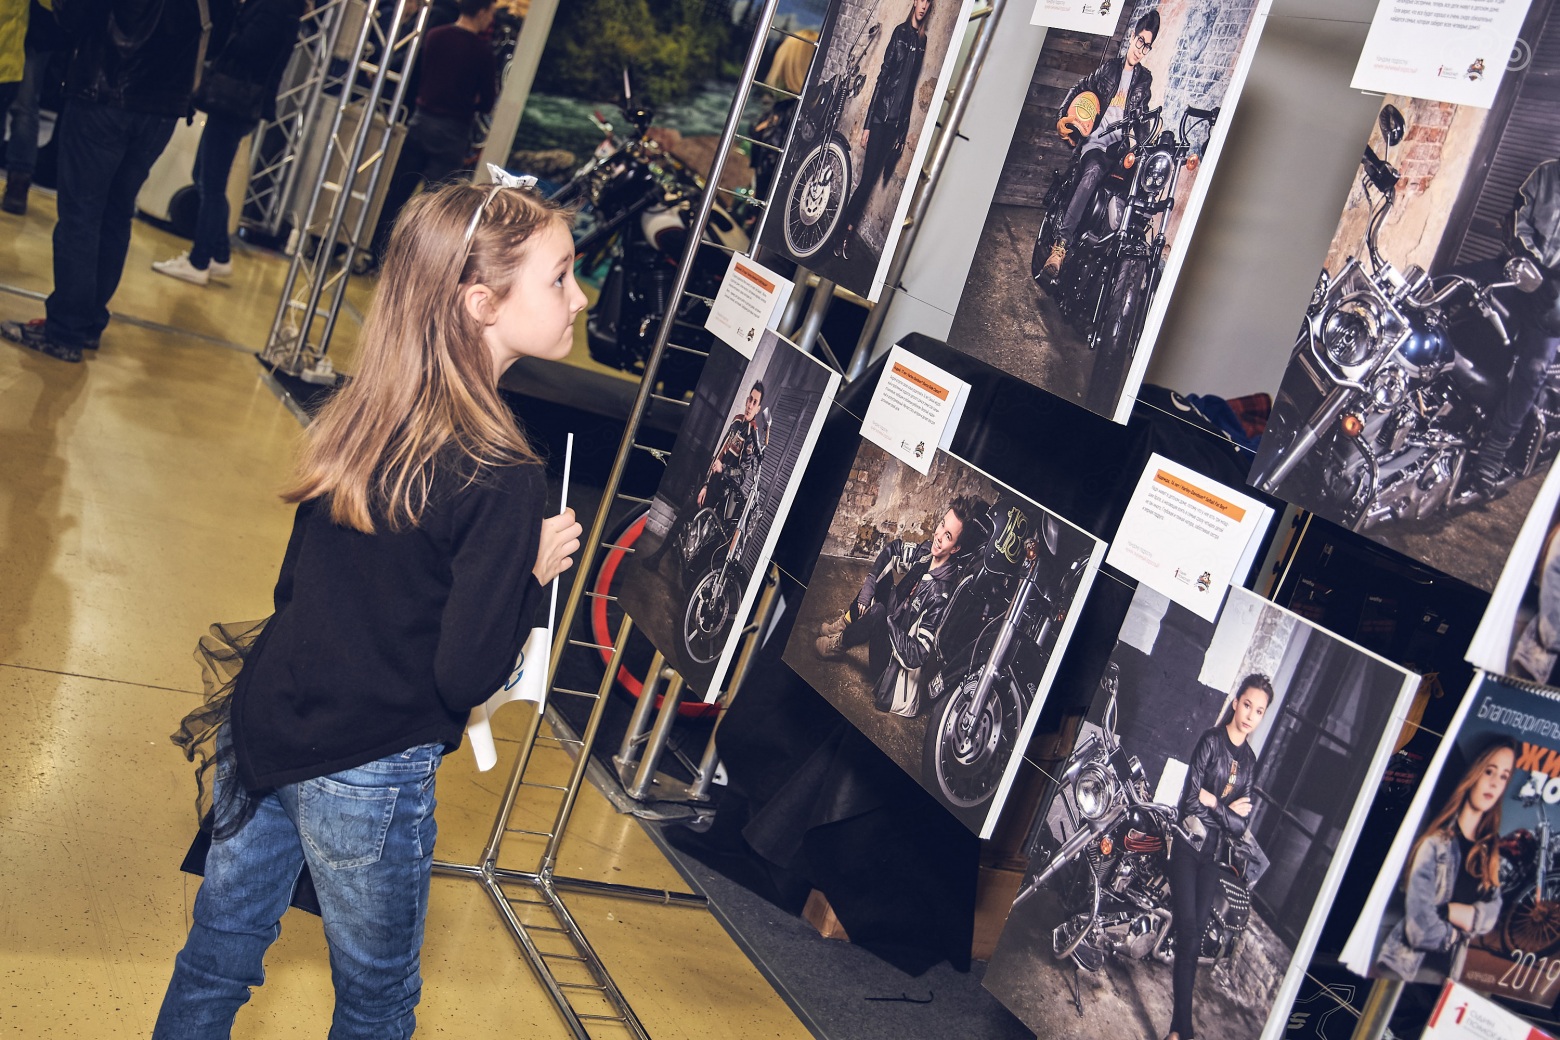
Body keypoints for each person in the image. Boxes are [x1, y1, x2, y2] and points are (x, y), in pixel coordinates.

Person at [150, 179, 587, 1037]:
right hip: (369, 768)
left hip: (269, 725)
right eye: (561, 277)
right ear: (481, 303)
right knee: (377, 1002)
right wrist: (529, 575)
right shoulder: (505, 475)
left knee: (216, 957)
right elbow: (463, 675)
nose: (580, 298)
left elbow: (296, 589)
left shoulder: (365, 411)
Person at [0, 0, 236, 363]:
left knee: (81, 215)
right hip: (163, 107)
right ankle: (88, 322)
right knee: (116, 213)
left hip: (104, 90)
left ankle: (65, 330)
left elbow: (74, 15)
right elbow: (219, 36)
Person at [151, 0, 308, 286]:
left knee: (210, 184)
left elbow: (249, 46)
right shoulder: (284, 7)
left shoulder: (276, 7)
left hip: (235, 100)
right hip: (238, 100)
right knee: (206, 178)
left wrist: (228, 25)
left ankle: (199, 261)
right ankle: (219, 255)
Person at [813, 495, 990, 718]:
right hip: (897, 623)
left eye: (948, 536)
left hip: (892, 668)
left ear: (955, 548)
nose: (938, 536)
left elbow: (917, 654)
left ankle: (838, 645)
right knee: (881, 576)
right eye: (942, 525)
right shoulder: (926, 554)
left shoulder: (941, 595)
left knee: (878, 612)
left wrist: (888, 622)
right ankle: (845, 622)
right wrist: (869, 584)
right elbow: (894, 549)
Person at [1165, 674, 1270, 1040]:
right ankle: (1182, 1030)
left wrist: (1214, 802)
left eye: (1259, 711)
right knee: (1188, 930)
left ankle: (1178, 1031)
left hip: (1213, 857)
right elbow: (1189, 802)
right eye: (1247, 705)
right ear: (1236, 702)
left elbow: (1241, 827)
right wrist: (1226, 809)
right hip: (1186, 846)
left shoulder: (1250, 762)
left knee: (1194, 938)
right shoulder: (1210, 741)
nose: (1251, 715)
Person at [1461, 158, 1560, 499]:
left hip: (1553, 299)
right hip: (1518, 270)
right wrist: (1529, 262)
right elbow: (1518, 217)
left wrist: (1552, 280)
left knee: (1534, 367)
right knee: (1448, 282)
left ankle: (1495, 449)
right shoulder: (1546, 173)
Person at [1375, 741, 1513, 982]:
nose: (1494, 783)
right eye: (1489, 771)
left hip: (1448, 974)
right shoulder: (1435, 843)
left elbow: (1493, 913)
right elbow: (1419, 930)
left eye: (1503, 776)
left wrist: (1448, 911)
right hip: (1403, 968)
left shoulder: (1488, 852)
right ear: (1473, 774)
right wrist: (1457, 932)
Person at [1038, 9, 1159, 281]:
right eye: (1140, 41)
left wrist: (1146, 147)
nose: (1141, 49)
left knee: (1133, 187)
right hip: (1095, 144)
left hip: (1118, 150)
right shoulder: (1109, 69)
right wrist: (1063, 116)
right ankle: (1060, 248)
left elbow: (1141, 118)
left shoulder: (1144, 80)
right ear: (1133, 36)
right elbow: (1080, 87)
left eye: (1147, 46)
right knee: (1092, 173)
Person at [832, 0, 929, 262]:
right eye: (921, 0)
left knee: (872, 179)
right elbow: (882, 78)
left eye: (928, 2)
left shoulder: (922, 41)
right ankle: (843, 233)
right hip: (879, 119)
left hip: (894, 125)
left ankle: (844, 231)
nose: (924, 6)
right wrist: (867, 124)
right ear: (914, 3)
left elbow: (910, 89)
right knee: (866, 181)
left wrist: (902, 132)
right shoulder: (900, 33)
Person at [642, 382, 767, 569]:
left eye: (754, 402)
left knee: (697, 530)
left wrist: (723, 469)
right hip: (712, 485)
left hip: (723, 494)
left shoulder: (751, 435)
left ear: (758, 408)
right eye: (749, 399)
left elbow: (742, 475)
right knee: (685, 515)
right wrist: (706, 484)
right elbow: (720, 453)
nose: (750, 405)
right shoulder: (737, 421)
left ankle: (667, 561)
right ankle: (658, 558)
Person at [402, 0, 497, 186]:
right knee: (437, 194)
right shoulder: (483, 53)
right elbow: (487, 103)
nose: (491, 19)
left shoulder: (435, 35)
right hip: (454, 131)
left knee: (400, 186)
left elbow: (421, 74)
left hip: (421, 119)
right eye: (491, 13)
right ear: (481, 12)